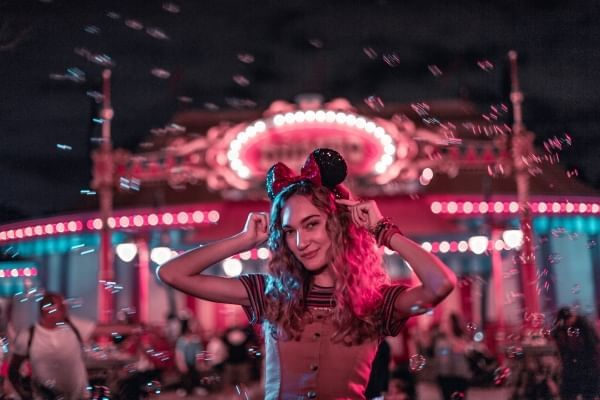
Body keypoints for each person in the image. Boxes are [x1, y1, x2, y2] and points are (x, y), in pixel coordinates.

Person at [158, 148, 456, 399]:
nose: (300, 242)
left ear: (337, 225)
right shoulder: (269, 293)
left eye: (311, 224)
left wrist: (382, 231)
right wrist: (242, 240)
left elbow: (441, 284)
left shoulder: (374, 301)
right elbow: (172, 273)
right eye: (289, 231)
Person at [8, 292, 95, 400]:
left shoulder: (73, 326)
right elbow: (13, 370)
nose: (65, 310)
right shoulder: (27, 336)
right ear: (48, 309)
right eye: (61, 307)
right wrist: (24, 395)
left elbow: (106, 329)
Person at [551, 307, 600, 400]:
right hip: (573, 363)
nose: (567, 323)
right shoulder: (563, 328)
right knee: (571, 389)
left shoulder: (584, 326)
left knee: (589, 390)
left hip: (588, 363)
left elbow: (593, 344)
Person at [433, 312, 472, 400]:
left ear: (452, 324)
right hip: (444, 377)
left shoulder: (462, 339)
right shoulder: (440, 341)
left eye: (446, 322)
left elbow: (465, 354)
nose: (442, 324)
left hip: (459, 378)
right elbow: (440, 359)